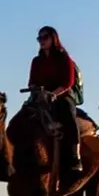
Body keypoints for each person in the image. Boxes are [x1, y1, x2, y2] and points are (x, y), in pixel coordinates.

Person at [27, 25, 82, 187]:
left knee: (68, 117)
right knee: (24, 116)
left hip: (62, 96)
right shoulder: (37, 61)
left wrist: (54, 94)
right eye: (39, 38)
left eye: (45, 37)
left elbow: (68, 82)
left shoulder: (64, 59)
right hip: (41, 96)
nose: (41, 41)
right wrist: (35, 89)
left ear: (53, 38)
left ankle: (75, 156)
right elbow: (31, 81)